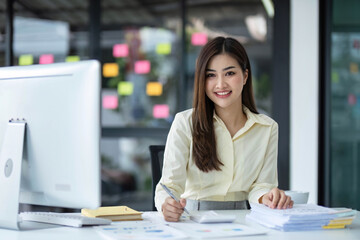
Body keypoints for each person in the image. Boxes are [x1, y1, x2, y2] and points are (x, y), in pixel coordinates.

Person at [155, 36, 293, 222]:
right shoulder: (185, 123)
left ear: (245, 76)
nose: (220, 84)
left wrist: (267, 197)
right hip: (194, 220)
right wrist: (167, 204)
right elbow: (169, 186)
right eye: (211, 75)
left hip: (247, 220)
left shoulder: (267, 128)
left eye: (229, 73)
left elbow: (262, 186)